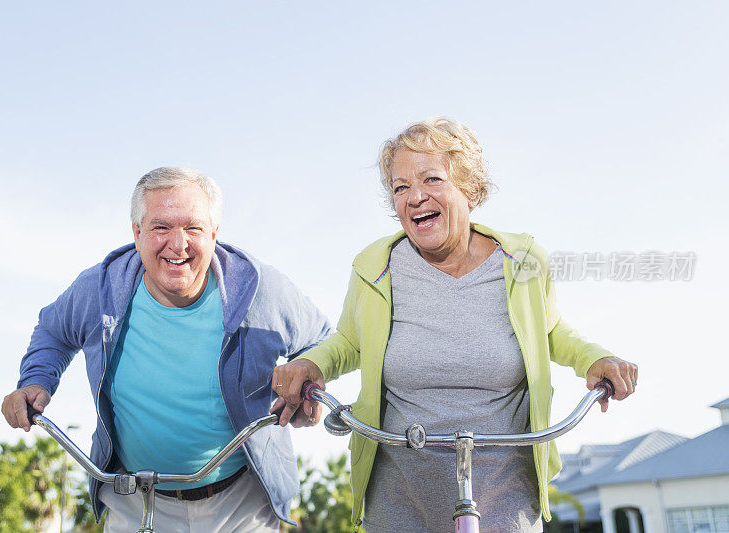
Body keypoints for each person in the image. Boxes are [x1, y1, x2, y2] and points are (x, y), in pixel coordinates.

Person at [271, 118, 639, 533]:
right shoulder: (374, 267)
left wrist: (596, 359)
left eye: (432, 179)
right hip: (398, 496)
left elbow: (552, 331)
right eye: (400, 186)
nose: (415, 197)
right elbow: (348, 343)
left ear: (472, 191)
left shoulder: (524, 261)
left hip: (504, 493)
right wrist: (311, 365)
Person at [1, 167, 330, 532]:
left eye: (193, 228)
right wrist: (35, 380)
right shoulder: (99, 288)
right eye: (161, 228)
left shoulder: (261, 288)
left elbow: (322, 341)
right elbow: (53, 330)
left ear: (214, 234)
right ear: (137, 234)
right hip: (134, 499)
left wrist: (308, 384)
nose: (178, 244)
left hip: (241, 505)